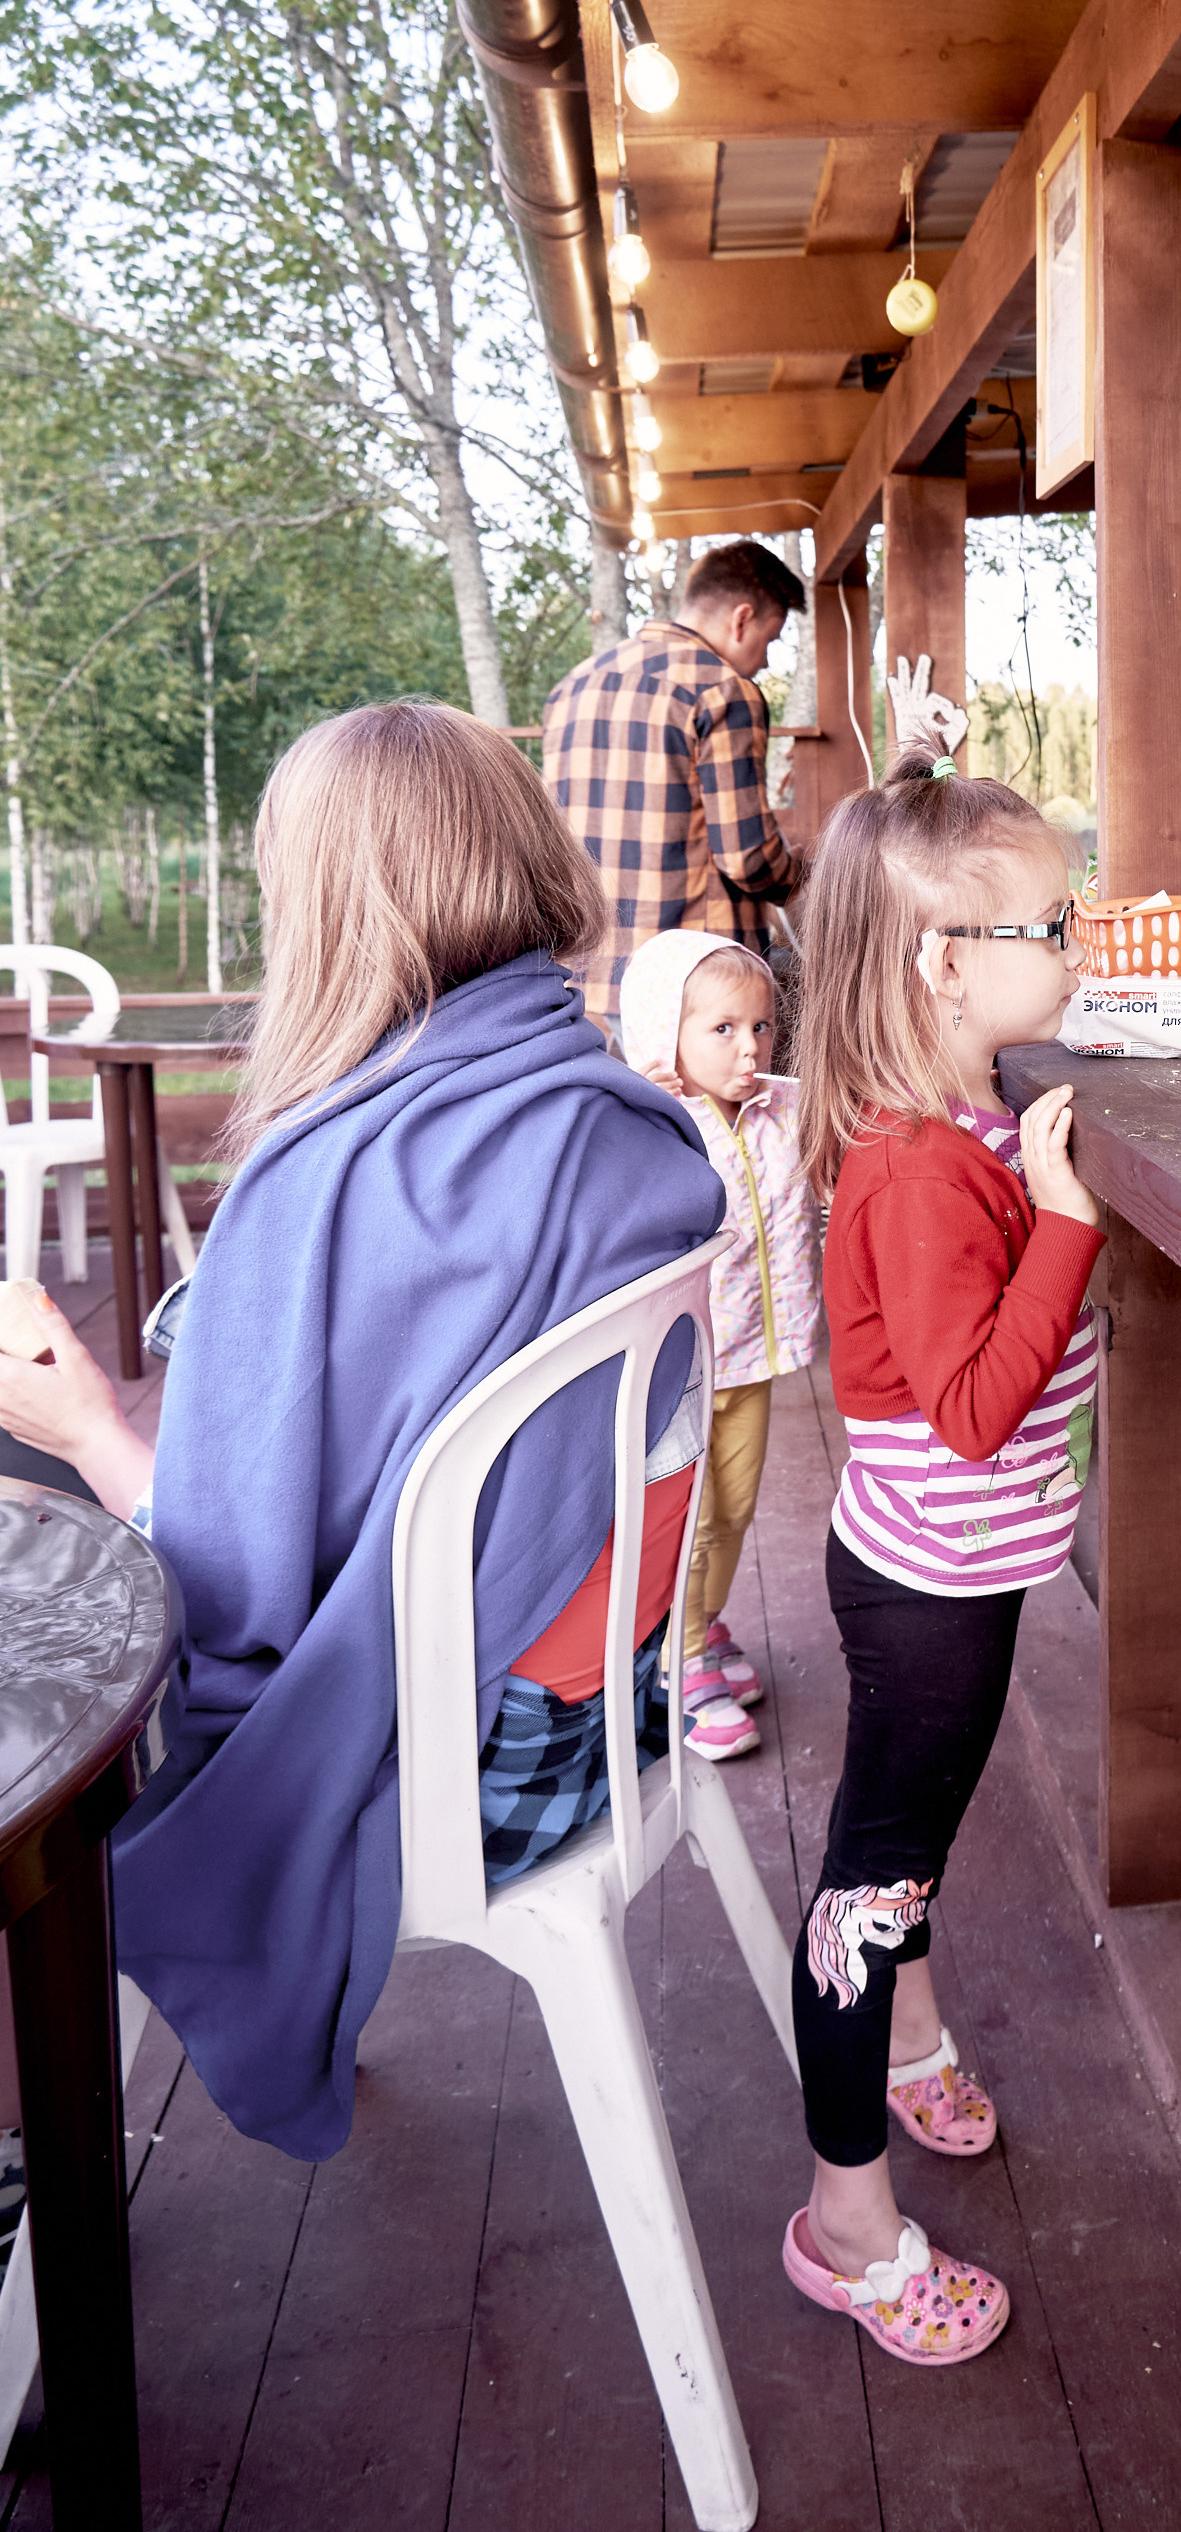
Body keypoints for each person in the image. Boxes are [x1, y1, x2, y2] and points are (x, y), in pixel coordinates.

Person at [0, 701, 724, 2160]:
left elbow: (232, 1599)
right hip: (614, 1713)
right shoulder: (613, 1115)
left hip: (458, 1774)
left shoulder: (338, 1179)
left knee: (35, 1669)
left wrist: (79, 1429)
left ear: (327, 908)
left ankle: (26, 2153)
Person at [778, 749, 1100, 2364]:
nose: (1079, 944)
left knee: (914, 1848)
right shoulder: (918, 1168)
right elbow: (973, 1413)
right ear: (945, 963)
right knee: (868, 1885)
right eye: (1054, 922)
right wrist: (1068, 1224)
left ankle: (908, 2040)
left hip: (957, 1577)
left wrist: (1035, 1182)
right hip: (925, 1590)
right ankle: (844, 2225)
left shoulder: (967, 1124)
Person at [619, 925, 822, 1764]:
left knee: (733, 1508)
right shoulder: (653, 1127)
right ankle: (678, 1656)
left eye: (762, 1026)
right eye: (723, 1029)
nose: (750, 1048)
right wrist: (638, 1101)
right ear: (664, 1035)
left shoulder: (783, 1107)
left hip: (757, 1356)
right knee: (694, 1516)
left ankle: (698, 1622)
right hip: (688, 1366)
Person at [542, 535, 807, 1026]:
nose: (767, 661)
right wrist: (806, 875)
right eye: (770, 640)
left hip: (585, 976)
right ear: (742, 618)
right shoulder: (724, 691)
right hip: (693, 982)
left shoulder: (572, 687)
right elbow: (748, 858)